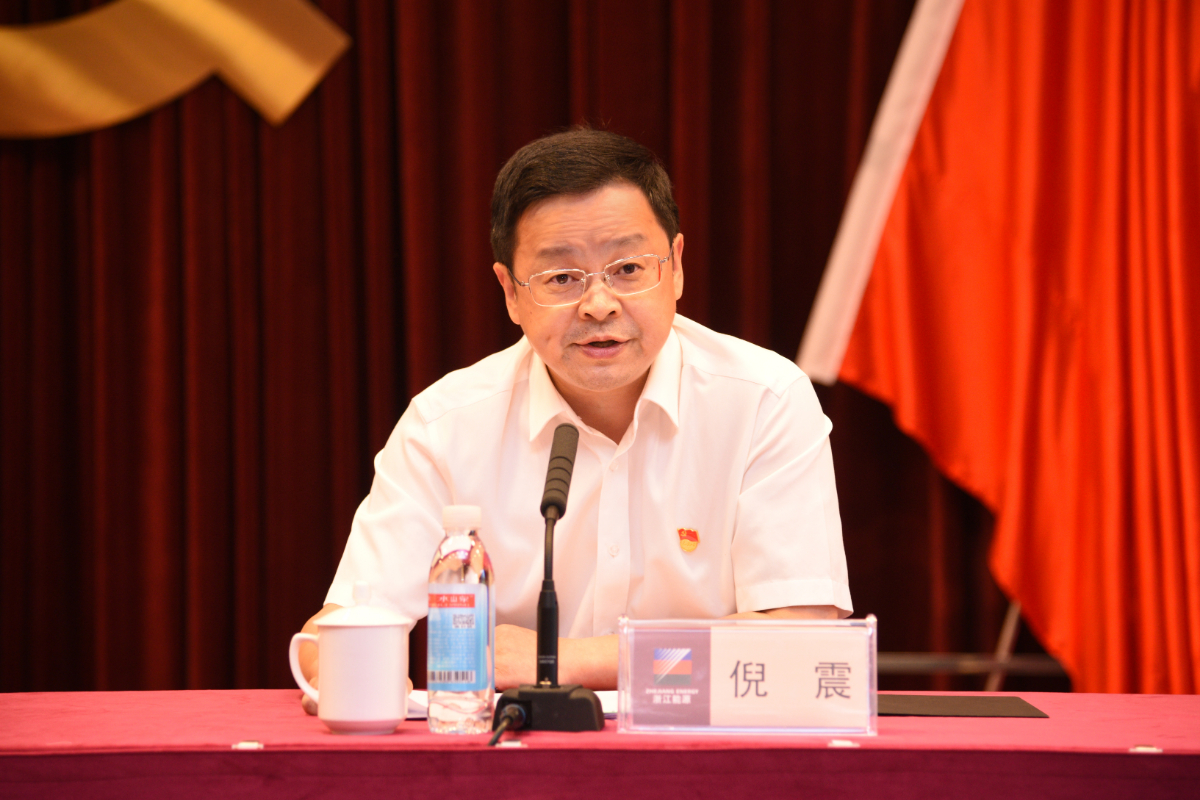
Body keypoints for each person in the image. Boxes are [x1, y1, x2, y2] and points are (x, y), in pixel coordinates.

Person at [298, 128, 851, 702]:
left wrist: (561, 661)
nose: (599, 305)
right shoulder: (445, 427)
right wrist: (348, 674)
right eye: (561, 278)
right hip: (517, 753)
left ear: (676, 267)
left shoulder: (763, 400)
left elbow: (799, 641)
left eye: (628, 269)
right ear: (510, 292)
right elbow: (334, 631)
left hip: (707, 751)